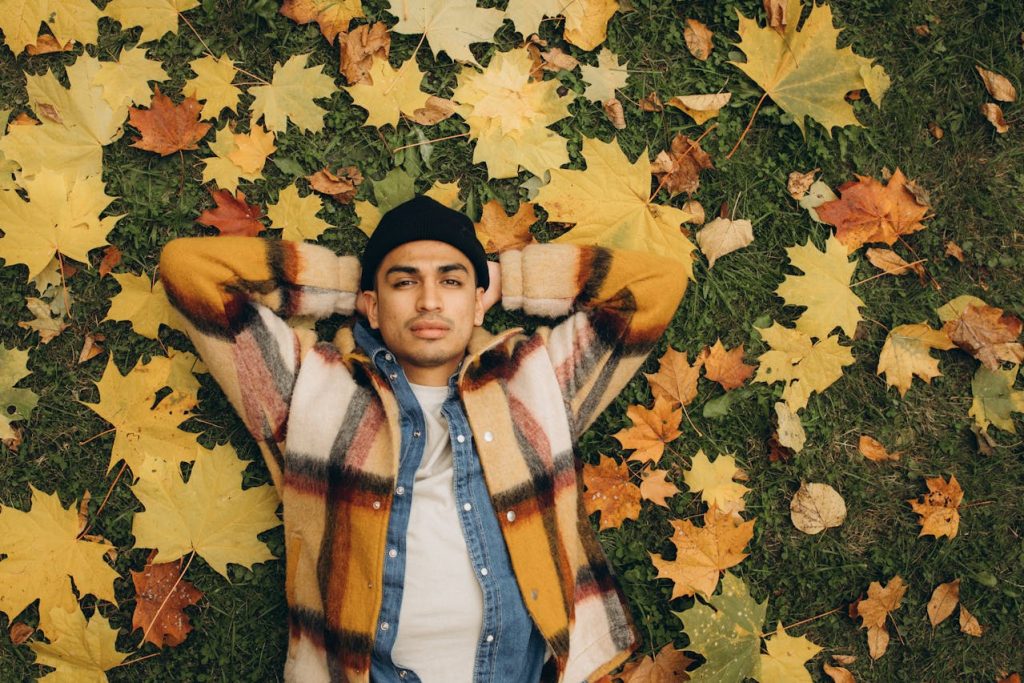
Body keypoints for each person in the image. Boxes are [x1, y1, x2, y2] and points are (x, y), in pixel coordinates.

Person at [159, 195, 688, 683]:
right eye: (405, 282)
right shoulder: (306, 390)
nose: (430, 300)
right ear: (371, 304)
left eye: (452, 282)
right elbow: (191, 272)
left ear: (480, 303)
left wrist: (513, 278)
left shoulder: (536, 380)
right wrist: (350, 281)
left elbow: (656, 286)